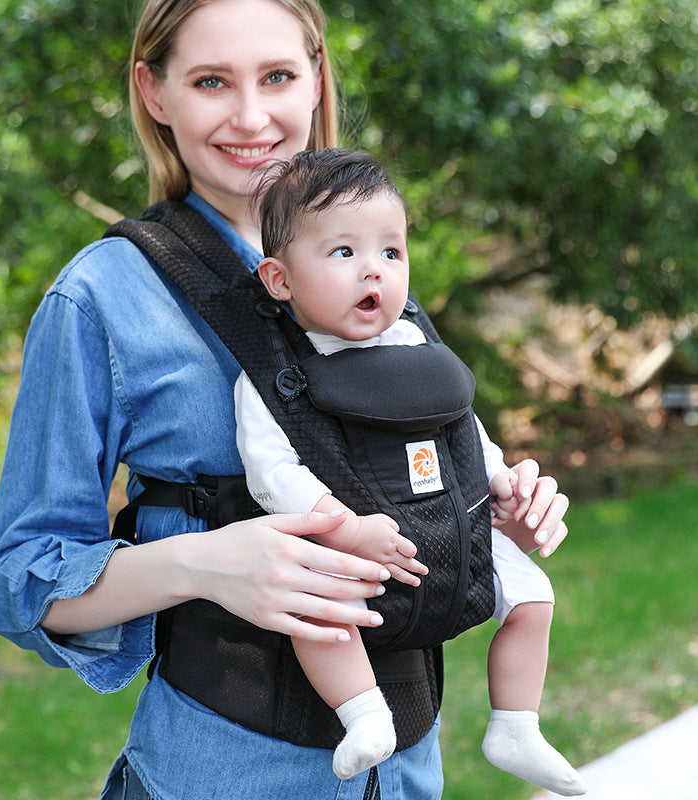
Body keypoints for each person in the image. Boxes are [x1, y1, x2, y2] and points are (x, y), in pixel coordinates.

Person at [0, 2, 571, 798]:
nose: (251, 117)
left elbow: (414, 462)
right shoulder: (101, 298)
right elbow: (16, 579)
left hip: (408, 774)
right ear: (154, 92)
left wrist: (493, 505)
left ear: (316, 77)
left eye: (279, 76)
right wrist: (205, 563)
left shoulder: (371, 261)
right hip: (220, 773)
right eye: (211, 81)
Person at [234, 148, 586, 795]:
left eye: (391, 253)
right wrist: (340, 527)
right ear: (279, 280)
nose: (374, 269)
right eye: (343, 253)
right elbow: (270, 470)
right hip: (354, 545)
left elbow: (460, 426)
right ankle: (364, 715)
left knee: (534, 598)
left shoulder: (417, 344)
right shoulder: (278, 370)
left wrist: (501, 479)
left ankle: (516, 724)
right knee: (320, 614)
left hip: (450, 526)